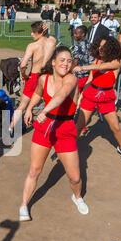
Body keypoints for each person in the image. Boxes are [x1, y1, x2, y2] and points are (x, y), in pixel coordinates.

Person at [19, 46, 88, 221]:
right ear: (54, 62)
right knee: (34, 170)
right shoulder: (44, 78)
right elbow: (37, 93)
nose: (66, 63)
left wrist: (43, 110)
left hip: (64, 128)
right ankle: (24, 205)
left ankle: (77, 197)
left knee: (75, 177)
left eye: (69, 60)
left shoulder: (71, 79)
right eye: (62, 60)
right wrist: (29, 108)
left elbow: (62, 95)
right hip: (45, 127)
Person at [73, 36, 121, 161]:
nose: (100, 49)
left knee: (115, 127)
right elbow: (89, 80)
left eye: (103, 47)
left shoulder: (117, 61)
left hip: (106, 97)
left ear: (110, 48)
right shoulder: (97, 61)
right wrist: (81, 96)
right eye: (99, 46)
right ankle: (69, 149)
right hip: (91, 95)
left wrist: (82, 68)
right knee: (80, 125)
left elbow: (100, 68)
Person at [9, 22, 55, 136]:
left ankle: (10, 128)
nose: (31, 34)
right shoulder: (52, 42)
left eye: (33, 32)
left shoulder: (32, 46)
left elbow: (23, 65)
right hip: (48, 76)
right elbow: (52, 38)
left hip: (35, 76)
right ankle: (50, 126)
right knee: (49, 102)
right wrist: (46, 32)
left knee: (23, 105)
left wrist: (24, 75)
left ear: (40, 32)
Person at [72, 25, 94, 93]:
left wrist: (71, 71)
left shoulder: (77, 46)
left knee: (75, 96)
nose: (74, 35)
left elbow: (75, 61)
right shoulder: (90, 44)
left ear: (83, 34)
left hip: (80, 76)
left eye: (76, 33)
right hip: (89, 75)